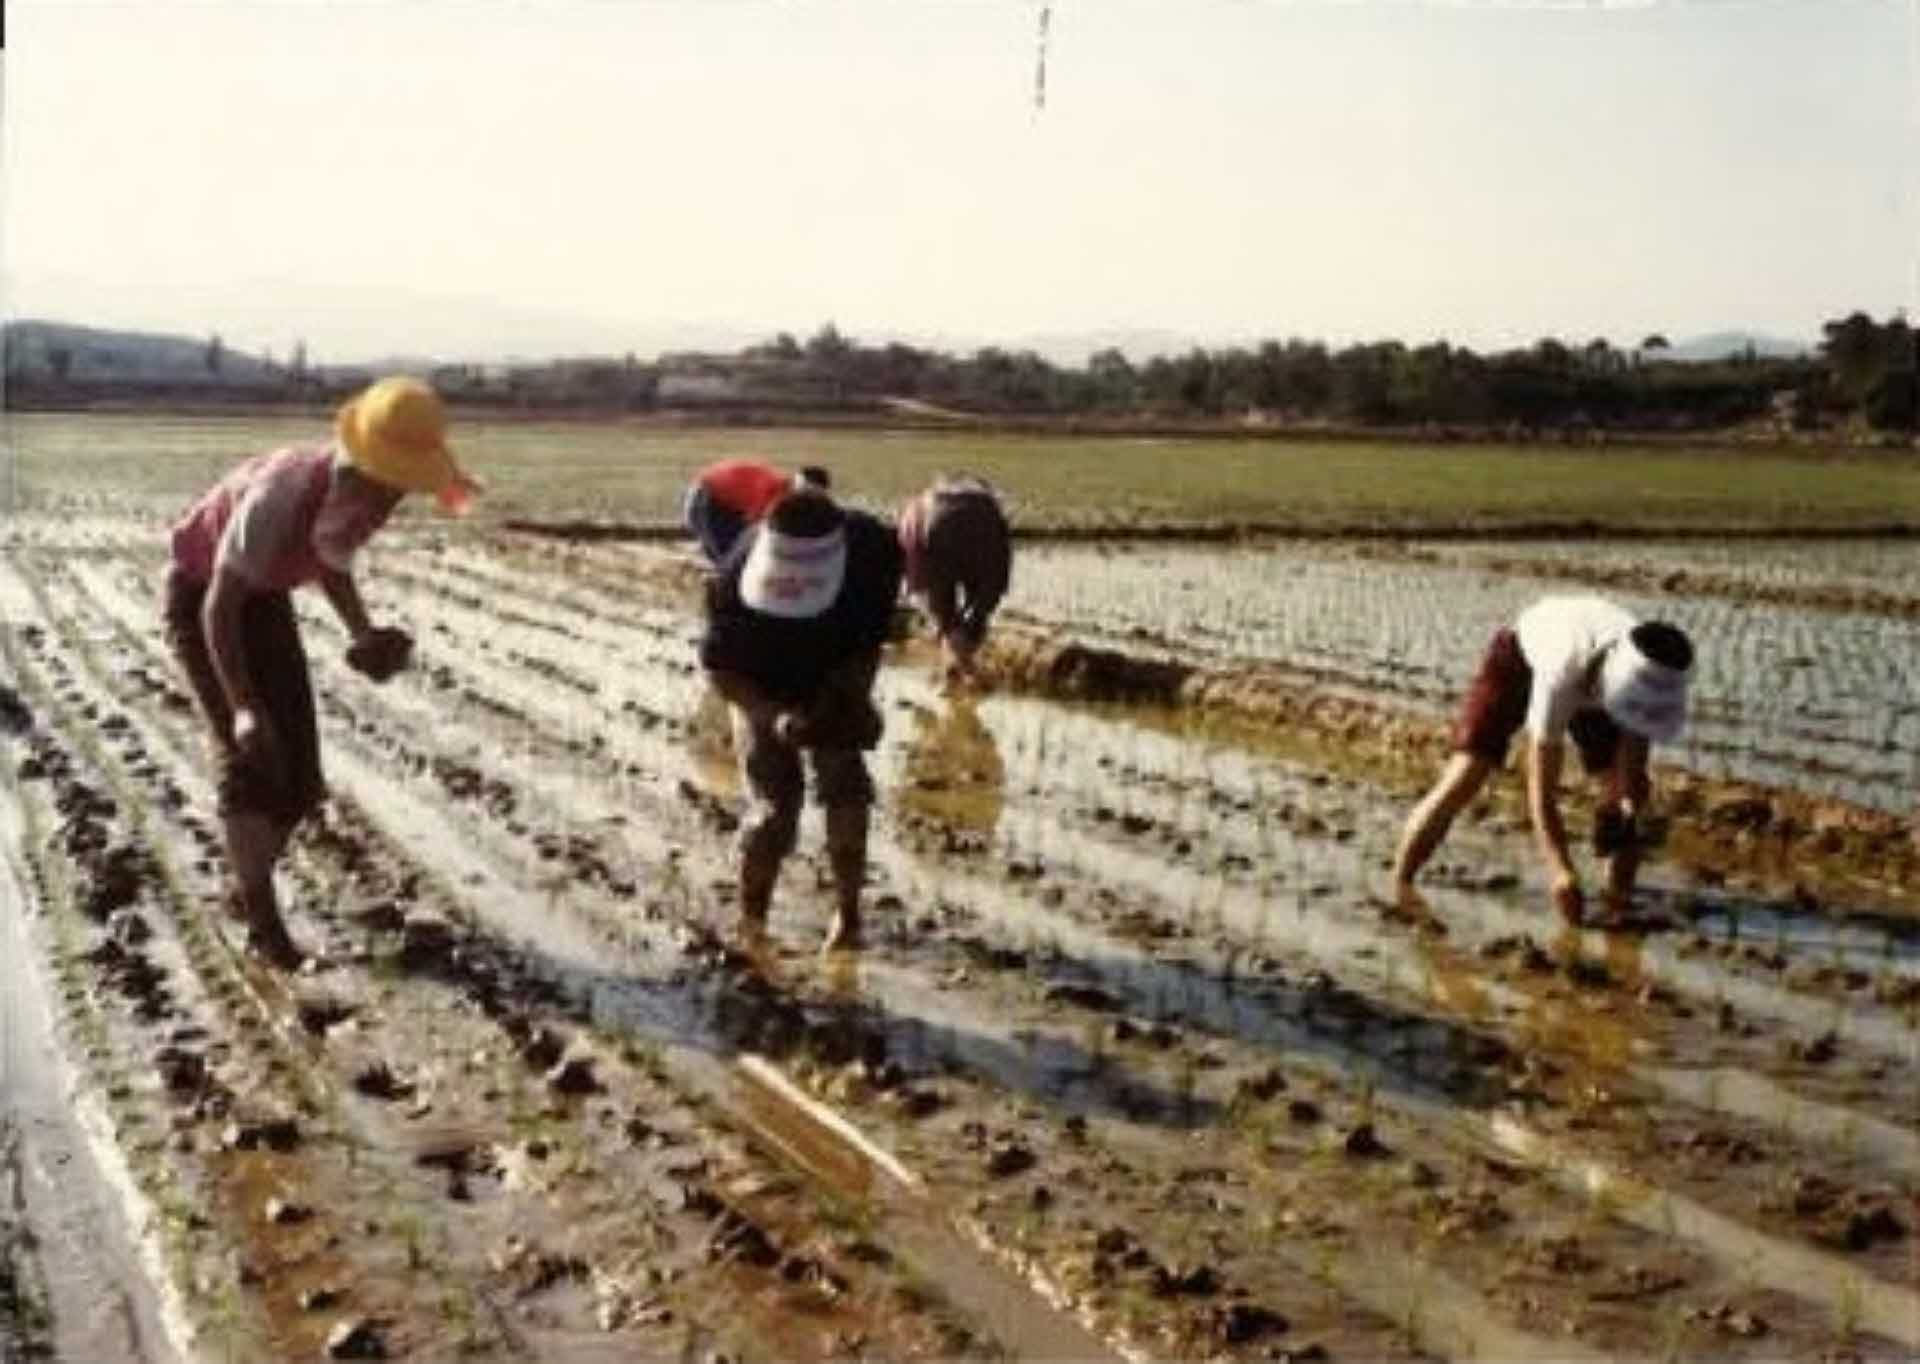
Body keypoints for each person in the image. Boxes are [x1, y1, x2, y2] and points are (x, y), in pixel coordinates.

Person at [165, 376, 479, 967]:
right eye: (393, 487)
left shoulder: (353, 501)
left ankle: (243, 889)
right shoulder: (278, 497)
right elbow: (219, 606)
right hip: (205, 601)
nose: (393, 504)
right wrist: (243, 708)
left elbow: (330, 563)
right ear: (364, 466)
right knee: (255, 762)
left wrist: (363, 634)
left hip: (263, 601)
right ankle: (263, 930)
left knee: (302, 783)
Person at [1391, 595, 1694, 926]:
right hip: (1520, 658)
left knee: (1627, 791)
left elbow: (1631, 772)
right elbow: (1541, 793)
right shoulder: (1560, 673)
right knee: (1467, 774)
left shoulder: (1652, 675)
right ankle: (1400, 885)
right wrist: (1560, 870)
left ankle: (1616, 901)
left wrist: (1627, 804)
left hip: (1601, 671)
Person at [699, 487, 902, 951]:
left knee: (846, 789)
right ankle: (752, 924)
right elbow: (721, 669)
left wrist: (848, 696)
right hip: (761, 684)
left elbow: (869, 641)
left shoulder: (871, 555)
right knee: (772, 809)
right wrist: (770, 716)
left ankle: (849, 919)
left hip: (831, 674)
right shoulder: (737, 574)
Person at [897, 474, 1012, 684]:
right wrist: (980, 611)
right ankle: (965, 665)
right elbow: (994, 578)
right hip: (988, 524)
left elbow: (921, 575)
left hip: (933, 525)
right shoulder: (988, 505)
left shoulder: (917, 509)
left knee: (945, 614)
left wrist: (943, 618)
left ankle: (957, 666)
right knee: (978, 612)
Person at [682, 459, 830, 565]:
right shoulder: (776, 493)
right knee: (728, 561)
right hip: (707, 496)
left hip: (724, 502)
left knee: (736, 554)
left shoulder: (784, 491)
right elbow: (755, 530)